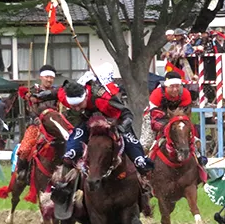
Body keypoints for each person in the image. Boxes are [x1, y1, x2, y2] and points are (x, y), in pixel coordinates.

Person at [58, 78, 154, 213]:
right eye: (73, 106)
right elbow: (60, 90)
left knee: (136, 155)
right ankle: (65, 187)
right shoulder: (66, 97)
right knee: (71, 151)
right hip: (89, 119)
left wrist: (123, 127)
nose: (76, 109)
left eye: (79, 104)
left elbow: (127, 114)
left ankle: (144, 186)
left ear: (85, 95)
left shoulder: (103, 100)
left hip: (114, 120)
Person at [14, 64, 61, 183]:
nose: (49, 80)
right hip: (37, 124)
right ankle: (22, 172)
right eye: (47, 77)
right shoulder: (33, 91)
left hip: (54, 125)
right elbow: (30, 109)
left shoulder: (57, 92)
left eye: (51, 77)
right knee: (25, 149)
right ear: (41, 77)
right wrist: (37, 120)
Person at [140, 71, 194, 152]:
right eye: (172, 86)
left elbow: (186, 114)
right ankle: (141, 159)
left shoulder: (185, 94)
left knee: (193, 140)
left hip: (177, 118)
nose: (175, 89)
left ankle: (198, 158)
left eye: (177, 86)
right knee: (146, 143)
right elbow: (154, 117)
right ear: (166, 86)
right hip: (155, 117)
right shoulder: (157, 94)